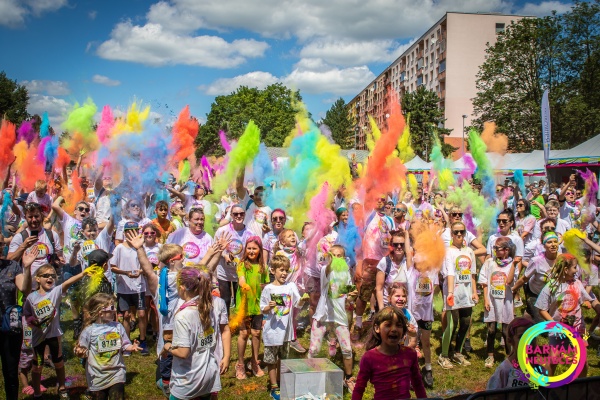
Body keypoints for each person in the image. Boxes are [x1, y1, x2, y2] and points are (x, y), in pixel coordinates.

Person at [23, 263, 88, 399]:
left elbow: (68, 282)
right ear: (37, 279)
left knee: (58, 361)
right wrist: (32, 321)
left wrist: (83, 273)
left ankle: (62, 387)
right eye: (46, 275)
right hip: (38, 337)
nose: (50, 278)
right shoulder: (31, 297)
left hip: (54, 335)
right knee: (37, 365)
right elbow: (26, 314)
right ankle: (37, 392)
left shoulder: (55, 292)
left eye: (53, 276)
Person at [535, 253, 600, 376]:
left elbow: (587, 299)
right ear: (565, 269)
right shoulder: (551, 286)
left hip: (577, 329)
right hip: (558, 330)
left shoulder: (577, 283)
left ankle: (581, 386)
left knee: (582, 361)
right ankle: (547, 384)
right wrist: (555, 324)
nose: (577, 270)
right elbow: (541, 309)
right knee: (553, 359)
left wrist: (588, 303)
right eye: (575, 267)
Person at [162, 267, 222, 400]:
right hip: (208, 374)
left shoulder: (183, 316)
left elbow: (183, 352)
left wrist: (167, 346)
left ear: (182, 287)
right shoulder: (208, 308)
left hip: (188, 380)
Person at [74, 293, 142, 400]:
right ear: (100, 312)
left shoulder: (118, 327)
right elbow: (81, 349)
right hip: (97, 375)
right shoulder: (89, 331)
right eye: (111, 307)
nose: (115, 310)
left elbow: (125, 344)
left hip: (117, 373)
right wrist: (79, 351)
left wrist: (132, 347)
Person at [308, 246, 357, 393]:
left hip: (340, 318)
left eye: (339, 256)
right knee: (314, 349)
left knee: (347, 349)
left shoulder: (346, 273)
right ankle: (310, 376)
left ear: (344, 258)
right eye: (333, 255)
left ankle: (348, 378)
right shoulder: (325, 270)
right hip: (323, 316)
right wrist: (329, 260)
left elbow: (348, 294)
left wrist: (352, 295)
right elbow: (327, 270)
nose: (336, 258)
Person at [352, 306, 427, 400]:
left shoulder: (410, 354)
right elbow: (359, 388)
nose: (394, 329)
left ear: (404, 330)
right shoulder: (369, 358)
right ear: (377, 328)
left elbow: (418, 384)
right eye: (388, 325)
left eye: (399, 325)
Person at [260, 254, 304, 399]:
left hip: (286, 332)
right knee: (271, 360)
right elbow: (262, 309)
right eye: (281, 270)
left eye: (286, 270)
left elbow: (298, 303)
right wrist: (268, 307)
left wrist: (304, 300)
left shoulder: (291, 286)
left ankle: (281, 382)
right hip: (272, 331)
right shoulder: (268, 289)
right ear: (273, 271)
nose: (284, 273)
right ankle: (274, 386)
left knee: (283, 359)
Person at [352, 195, 393, 345]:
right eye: (378, 197)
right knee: (363, 295)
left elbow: (393, 241)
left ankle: (382, 325)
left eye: (383, 198)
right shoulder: (367, 216)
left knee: (382, 293)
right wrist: (359, 263)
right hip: (369, 262)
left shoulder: (389, 220)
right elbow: (358, 239)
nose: (380, 200)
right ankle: (357, 325)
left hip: (384, 263)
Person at [439, 222, 478, 370]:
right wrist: (450, 293)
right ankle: (444, 355)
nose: (459, 234)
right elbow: (449, 272)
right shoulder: (448, 252)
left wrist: (474, 291)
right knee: (452, 324)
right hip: (453, 292)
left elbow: (472, 274)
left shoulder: (469, 251)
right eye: (456, 232)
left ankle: (457, 352)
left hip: (466, 293)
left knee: (466, 323)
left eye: (462, 231)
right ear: (451, 234)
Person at [0, 245, 35, 400]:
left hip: (9, 326)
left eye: (0, 244)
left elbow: (24, 288)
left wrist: (26, 269)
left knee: (11, 371)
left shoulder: (12, 266)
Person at [110, 222, 150, 355]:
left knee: (142, 314)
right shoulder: (119, 248)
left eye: (135, 230)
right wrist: (125, 273)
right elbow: (112, 266)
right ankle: (126, 343)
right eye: (129, 231)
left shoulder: (140, 248)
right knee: (126, 315)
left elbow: (146, 265)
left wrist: (140, 271)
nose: (132, 233)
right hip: (124, 287)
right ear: (124, 233)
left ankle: (143, 340)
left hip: (139, 286)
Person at [478, 236, 517, 368]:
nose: (494, 250)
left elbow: (510, 281)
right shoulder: (490, 262)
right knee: (491, 330)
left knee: (506, 331)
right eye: (494, 248)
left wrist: (515, 265)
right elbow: (483, 281)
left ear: (506, 250)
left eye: (497, 248)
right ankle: (490, 355)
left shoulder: (513, 265)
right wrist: (486, 299)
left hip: (506, 301)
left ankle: (509, 357)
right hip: (492, 301)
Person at [234, 236, 269, 380]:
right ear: (245, 249)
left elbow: (265, 286)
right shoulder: (242, 264)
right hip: (244, 305)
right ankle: (240, 364)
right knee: (243, 334)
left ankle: (255, 362)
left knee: (256, 333)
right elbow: (241, 278)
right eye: (249, 248)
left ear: (260, 250)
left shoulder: (263, 267)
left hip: (258, 306)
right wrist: (244, 285)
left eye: (254, 248)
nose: (251, 251)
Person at [512, 231, 560, 322]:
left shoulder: (562, 259)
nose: (553, 245)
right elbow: (524, 278)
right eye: (549, 242)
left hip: (552, 294)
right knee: (540, 322)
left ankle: (525, 320)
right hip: (535, 293)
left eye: (555, 241)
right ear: (544, 245)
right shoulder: (536, 261)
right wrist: (513, 289)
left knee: (533, 315)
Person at [214, 204, 253, 312]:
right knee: (224, 300)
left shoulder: (249, 233)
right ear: (231, 215)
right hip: (224, 271)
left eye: (241, 214)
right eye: (236, 214)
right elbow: (215, 248)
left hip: (240, 272)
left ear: (245, 215)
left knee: (239, 301)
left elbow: (252, 251)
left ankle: (238, 326)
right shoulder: (222, 230)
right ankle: (224, 325)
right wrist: (225, 255)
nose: (239, 216)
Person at [486, 318, 535, 389]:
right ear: (510, 341)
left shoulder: (538, 369)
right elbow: (491, 396)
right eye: (521, 337)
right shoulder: (504, 370)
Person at [375, 230, 412, 310]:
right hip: (387, 306)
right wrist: (382, 309)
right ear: (392, 245)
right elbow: (379, 288)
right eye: (395, 244)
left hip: (405, 307)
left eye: (402, 245)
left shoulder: (409, 262)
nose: (399, 247)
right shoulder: (384, 262)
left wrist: (406, 233)